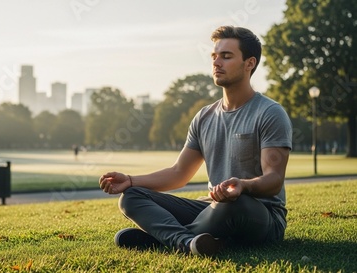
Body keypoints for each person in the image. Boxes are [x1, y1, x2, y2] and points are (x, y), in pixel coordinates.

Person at [99, 26, 292, 256]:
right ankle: (188, 242)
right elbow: (179, 173)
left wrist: (244, 185)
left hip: (260, 213)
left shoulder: (270, 113)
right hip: (212, 207)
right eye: (214, 56)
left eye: (226, 56)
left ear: (249, 63)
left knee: (234, 205)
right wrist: (130, 180)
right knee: (132, 196)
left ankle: (163, 240)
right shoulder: (204, 117)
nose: (216, 62)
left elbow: (274, 180)